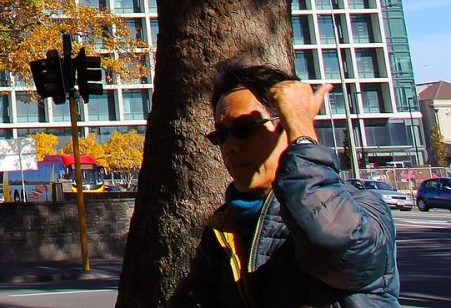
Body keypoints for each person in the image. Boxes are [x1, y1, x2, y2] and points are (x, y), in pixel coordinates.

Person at [171, 62, 399, 306]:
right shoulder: (224, 227)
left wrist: (301, 133)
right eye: (221, 135)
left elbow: (334, 248)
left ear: (287, 125)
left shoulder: (360, 209)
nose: (229, 147)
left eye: (244, 129)